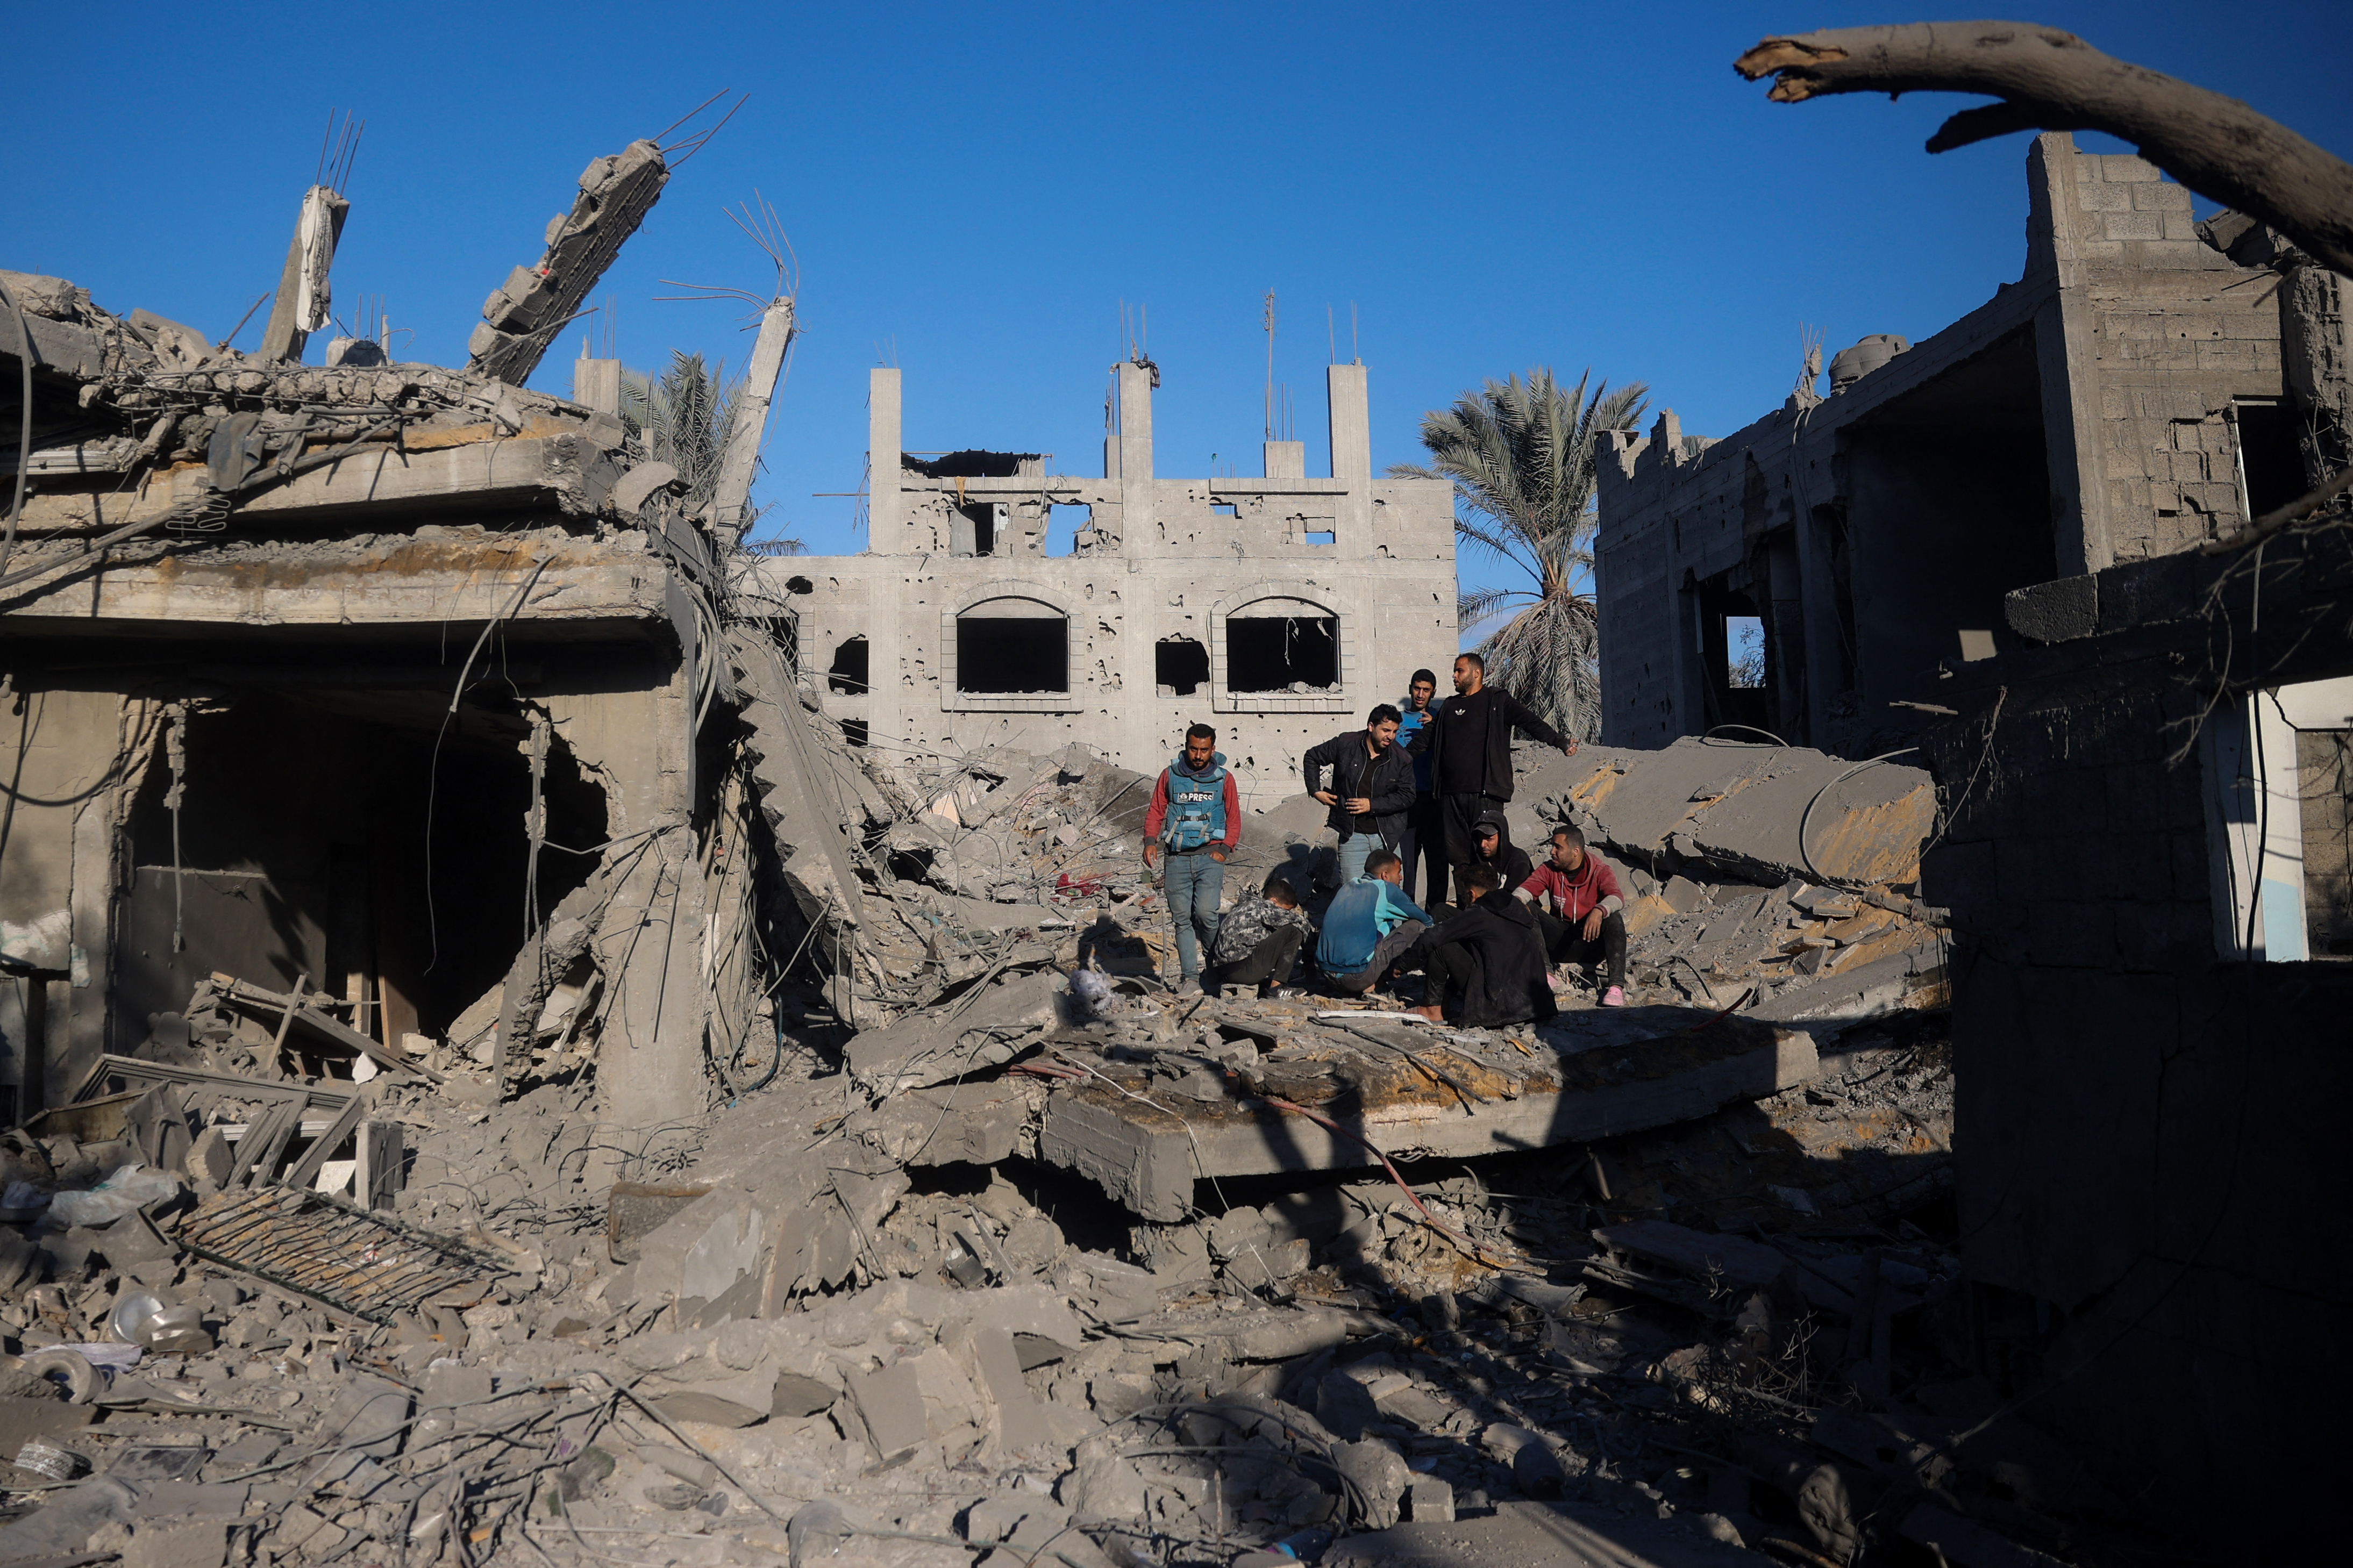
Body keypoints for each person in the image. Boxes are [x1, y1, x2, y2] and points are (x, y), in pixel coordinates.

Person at [1408, 653, 1578, 910]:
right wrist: (1387, 760)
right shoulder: (1448, 707)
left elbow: (1529, 721)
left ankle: (1488, 911)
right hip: (1450, 797)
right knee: (1459, 859)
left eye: (1459, 671)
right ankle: (1467, 911)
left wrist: (1560, 741)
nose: (1454, 676)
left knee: (1486, 855)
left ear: (1476, 673)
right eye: (1455, 671)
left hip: (1485, 795)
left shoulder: (1496, 701)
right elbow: (1422, 743)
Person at [1142, 723, 1241, 992]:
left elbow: (1234, 818)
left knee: (1207, 915)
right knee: (1182, 920)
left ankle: (1216, 972)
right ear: (1186, 747)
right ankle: (1190, 980)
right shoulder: (1169, 776)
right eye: (1194, 749)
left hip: (1211, 857)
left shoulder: (1224, 779)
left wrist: (1225, 849)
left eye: (1204, 750)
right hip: (1176, 858)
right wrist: (1150, 841)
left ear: (1213, 749)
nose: (1198, 756)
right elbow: (1155, 812)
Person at [1406, 862, 1556, 1027]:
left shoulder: (1480, 914)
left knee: (1441, 947)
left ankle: (1431, 1009)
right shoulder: (1514, 908)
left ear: (1471, 894)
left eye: (1464, 896)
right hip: (1539, 1005)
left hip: (1502, 1010)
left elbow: (1432, 938)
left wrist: (1400, 967)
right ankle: (1445, 1001)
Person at [1303, 704, 1417, 886]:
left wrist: (1372, 805)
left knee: (1389, 895)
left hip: (1386, 836)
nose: (1391, 737)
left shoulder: (1401, 758)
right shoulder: (1346, 743)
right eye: (1386, 730)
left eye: (1395, 732)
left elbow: (1407, 796)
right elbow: (1312, 757)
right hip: (1352, 835)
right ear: (1371, 726)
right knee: (1354, 892)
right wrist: (1316, 791)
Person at [1514, 824, 1628, 1006]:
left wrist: (1599, 911)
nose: (1552, 852)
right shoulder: (1549, 869)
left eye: (1558, 847)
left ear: (1575, 851)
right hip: (1560, 941)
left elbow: (1616, 898)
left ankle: (1616, 988)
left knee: (1614, 917)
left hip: (1591, 943)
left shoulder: (1600, 870)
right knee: (1525, 906)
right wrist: (1517, 902)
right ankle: (1547, 974)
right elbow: (1525, 890)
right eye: (1552, 846)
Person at [1315, 849, 1431, 996]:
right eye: (1398, 872)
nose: (1401, 877)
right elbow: (1426, 920)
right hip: (1357, 979)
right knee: (1417, 926)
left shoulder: (1348, 887)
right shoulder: (1386, 889)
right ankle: (1378, 983)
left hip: (1326, 975)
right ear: (1385, 875)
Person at [1206, 872, 1314, 995]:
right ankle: (1277, 989)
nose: (1285, 914)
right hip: (1243, 973)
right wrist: (1310, 964)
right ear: (1274, 901)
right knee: (1293, 930)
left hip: (1224, 973)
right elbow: (1303, 924)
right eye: (1285, 910)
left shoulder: (1244, 907)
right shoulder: (1265, 908)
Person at [1396, 669, 1446, 904]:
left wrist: (1436, 726)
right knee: (1407, 862)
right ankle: (1407, 913)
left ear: (1433, 692)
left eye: (1426, 690)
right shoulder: (1396, 722)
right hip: (1406, 801)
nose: (1420, 694)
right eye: (1417, 688)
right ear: (1410, 688)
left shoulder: (1442, 719)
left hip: (1435, 800)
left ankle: (1436, 913)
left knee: (1437, 859)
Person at [1469, 808, 1535, 898]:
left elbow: (1513, 900)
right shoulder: (1479, 860)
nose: (1483, 844)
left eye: (1489, 839)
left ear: (1502, 838)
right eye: (1480, 839)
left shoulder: (1519, 861)